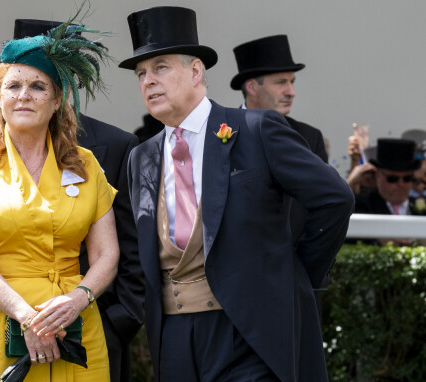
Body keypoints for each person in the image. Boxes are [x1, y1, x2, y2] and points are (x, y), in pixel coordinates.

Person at [119, 6, 354, 382]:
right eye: (141, 73)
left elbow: (335, 198)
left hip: (249, 331)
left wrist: (294, 275)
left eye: (160, 67)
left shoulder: (255, 129)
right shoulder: (141, 158)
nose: (148, 81)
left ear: (196, 72)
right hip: (175, 340)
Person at [0, 18, 144, 382]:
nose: (23, 95)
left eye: (37, 86)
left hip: (73, 325)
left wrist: (78, 299)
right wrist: (29, 318)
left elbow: (108, 255)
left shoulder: (86, 164)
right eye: (12, 86)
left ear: (58, 100)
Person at [231, 34, 327, 246]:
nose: (291, 92)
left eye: (292, 82)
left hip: (293, 269)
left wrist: (307, 269)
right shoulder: (220, 134)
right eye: (281, 82)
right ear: (252, 87)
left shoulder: (310, 138)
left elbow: (322, 208)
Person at [354, 138, 424, 245]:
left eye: (407, 178)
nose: (401, 184)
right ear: (378, 175)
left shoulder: (421, 206)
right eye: (392, 178)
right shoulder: (362, 206)